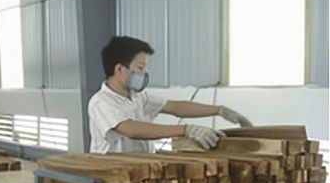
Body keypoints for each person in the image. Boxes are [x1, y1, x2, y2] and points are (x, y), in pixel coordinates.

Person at [88, 36, 252, 154]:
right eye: (140, 67)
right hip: (112, 178)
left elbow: (176, 107)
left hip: (139, 171)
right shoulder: (101, 102)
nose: (144, 73)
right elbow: (131, 129)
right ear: (120, 69)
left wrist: (219, 110)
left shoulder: (139, 97)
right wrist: (186, 130)